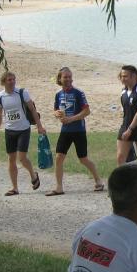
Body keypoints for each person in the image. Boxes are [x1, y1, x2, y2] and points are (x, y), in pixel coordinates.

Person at [45, 67, 104, 196]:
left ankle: (98, 181)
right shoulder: (58, 94)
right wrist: (57, 114)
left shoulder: (78, 93)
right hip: (65, 131)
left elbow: (87, 111)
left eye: (70, 77)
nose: (68, 79)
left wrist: (71, 119)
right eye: (65, 77)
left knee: (83, 159)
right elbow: (55, 110)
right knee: (59, 157)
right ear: (60, 79)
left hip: (79, 131)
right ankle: (59, 187)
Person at [0, 71, 47, 196]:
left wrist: (39, 126)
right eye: (9, 80)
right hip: (9, 131)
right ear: (3, 82)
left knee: (22, 158)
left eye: (13, 79)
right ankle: (15, 188)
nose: (12, 82)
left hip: (23, 129)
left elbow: (33, 110)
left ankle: (33, 175)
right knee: (11, 159)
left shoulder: (22, 93)